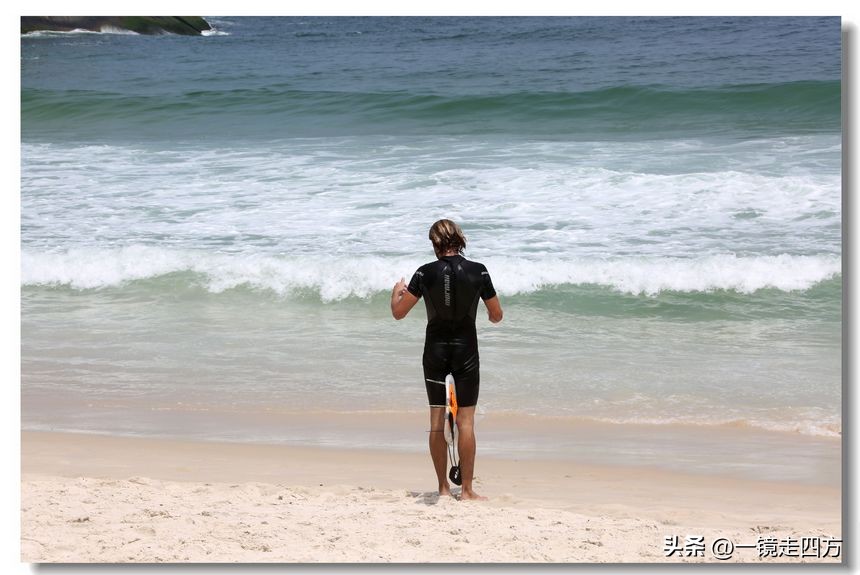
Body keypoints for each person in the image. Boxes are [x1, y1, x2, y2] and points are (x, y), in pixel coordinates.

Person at [390, 219, 503, 501]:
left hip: (435, 352)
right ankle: (466, 491)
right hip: (466, 352)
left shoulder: (424, 273)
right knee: (466, 422)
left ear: (435, 243)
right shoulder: (479, 271)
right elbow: (497, 315)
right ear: (459, 239)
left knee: (437, 421)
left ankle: (442, 488)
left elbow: (399, 313)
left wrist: (396, 296)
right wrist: (489, 315)